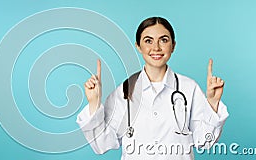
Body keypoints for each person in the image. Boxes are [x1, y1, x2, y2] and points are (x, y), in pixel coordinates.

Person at [76, 17, 229, 159]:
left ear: (173, 45)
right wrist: (94, 104)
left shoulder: (189, 88)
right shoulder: (125, 90)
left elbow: (205, 142)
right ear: (138, 46)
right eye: (148, 41)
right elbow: (102, 144)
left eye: (163, 40)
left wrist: (213, 103)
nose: (156, 47)